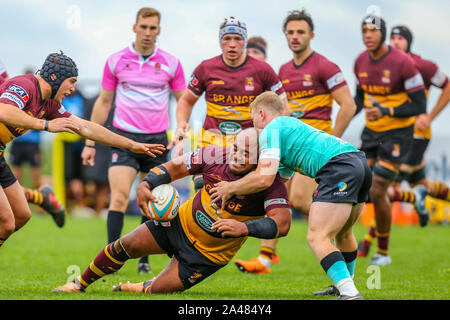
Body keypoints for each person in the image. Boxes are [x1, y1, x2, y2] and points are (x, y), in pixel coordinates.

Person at [52, 128, 291, 294]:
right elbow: (174, 167)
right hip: (178, 225)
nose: (237, 156)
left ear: (261, 158)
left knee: (158, 291)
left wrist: (244, 228)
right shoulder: (215, 154)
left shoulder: (270, 183)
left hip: (207, 257)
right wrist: (147, 185)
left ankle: (140, 285)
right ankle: (78, 285)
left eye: (247, 154)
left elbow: (282, 224)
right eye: (236, 148)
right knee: (125, 245)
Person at [209, 92, 371, 300]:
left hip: (338, 168)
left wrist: (230, 188)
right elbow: (277, 182)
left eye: (253, 119)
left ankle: (350, 293)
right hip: (359, 163)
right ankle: (344, 285)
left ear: (261, 114)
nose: (255, 125)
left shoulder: (271, 129)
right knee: (344, 234)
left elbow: (264, 179)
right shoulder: (288, 132)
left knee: (317, 237)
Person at [0, 51, 165, 250]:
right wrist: (45, 125)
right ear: (55, 78)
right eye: (71, 81)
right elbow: (3, 110)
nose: (73, 88)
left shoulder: (51, 104)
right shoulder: (25, 85)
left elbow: (85, 127)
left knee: (21, 215)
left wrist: (131, 144)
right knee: (7, 222)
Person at [235, 9, 357, 275]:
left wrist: (333, 136)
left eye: (300, 32)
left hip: (317, 148)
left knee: (300, 200)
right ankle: (266, 258)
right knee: (277, 195)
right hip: (291, 145)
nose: (295, 37)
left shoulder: (325, 66)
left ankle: (339, 221)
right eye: (290, 32)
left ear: (311, 35)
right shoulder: (284, 70)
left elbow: (348, 105)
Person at [81, 7, 186, 274]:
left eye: (153, 28)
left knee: (149, 200)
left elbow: (183, 101)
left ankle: (143, 260)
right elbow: (104, 102)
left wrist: (182, 130)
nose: (148, 32)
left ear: (159, 30)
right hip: (124, 138)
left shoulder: (171, 63)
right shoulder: (116, 60)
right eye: (144, 27)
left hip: (157, 141)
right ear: (134, 27)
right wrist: (90, 142)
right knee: (118, 199)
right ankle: (110, 261)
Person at [358, 25, 450, 257]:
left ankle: (371, 246)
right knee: (419, 185)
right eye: (393, 38)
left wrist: (430, 116)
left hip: (414, 136)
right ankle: (414, 198)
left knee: (382, 187)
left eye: (401, 38)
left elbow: (447, 85)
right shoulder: (384, 66)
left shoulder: (423, 66)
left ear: (409, 42)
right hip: (390, 135)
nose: (396, 42)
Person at [171, 16, 288, 194]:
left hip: (245, 146)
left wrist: (271, 137)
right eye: (227, 38)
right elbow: (186, 101)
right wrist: (181, 124)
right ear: (220, 41)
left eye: (237, 39)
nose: (232, 44)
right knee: (204, 189)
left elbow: (283, 107)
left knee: (240, 196)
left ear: (244, 41)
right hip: (211, 142)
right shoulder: (206, 68)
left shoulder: (262, 70)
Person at [352, 15, 427, 266]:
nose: (368, 35)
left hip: (398, 134)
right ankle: (412, 198)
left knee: (379, 186)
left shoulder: (403, 63)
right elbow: (359, 100)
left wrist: (386, 111)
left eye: (373, 30)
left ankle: (383, 253)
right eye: (364, 30)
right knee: (362, 185)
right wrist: (339, 120)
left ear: (382, 34)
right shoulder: (360, 62)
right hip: (371, 133)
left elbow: (420, 104)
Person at [1, 65, 66, 227]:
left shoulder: (35, 96)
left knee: (30, 179)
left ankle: (41, 198)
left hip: (31, 144)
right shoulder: (23, 87)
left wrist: (43, 124)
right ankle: (40, 198)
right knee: (13, 181)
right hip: (13, 143)